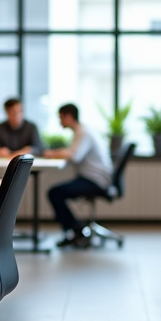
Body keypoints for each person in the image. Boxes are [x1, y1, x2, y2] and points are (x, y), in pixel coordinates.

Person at [44, 103, 113, 248]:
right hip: (94, 178)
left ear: (68, 116)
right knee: (56, 192)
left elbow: (75, 156)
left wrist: (52, 154)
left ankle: (76, 231)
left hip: (95, 181)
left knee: (55, 193)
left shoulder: (83, 133)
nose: (60, 122)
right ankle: (76, 230)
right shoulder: (82, 131)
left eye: (61, 117)